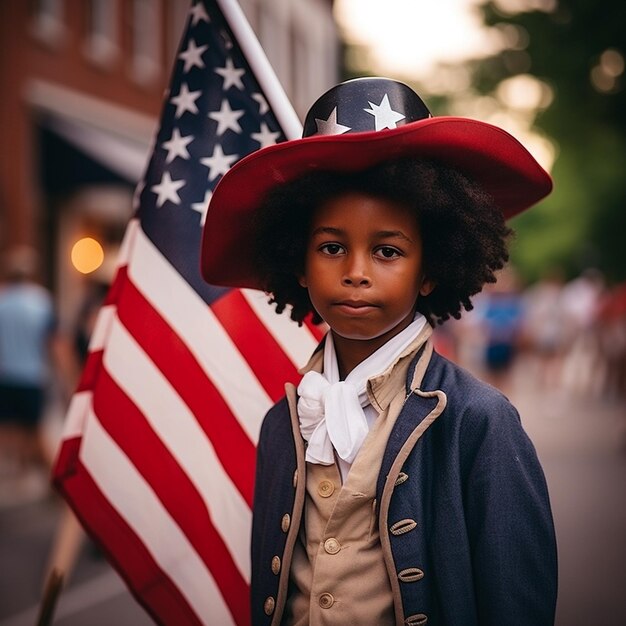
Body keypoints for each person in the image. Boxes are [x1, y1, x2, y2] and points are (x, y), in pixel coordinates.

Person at [201, 78, 558, 625]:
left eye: (387, 250)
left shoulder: (479, 422)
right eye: (331, 247)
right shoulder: (282, 424)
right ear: (297, 262)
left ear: (432, 268)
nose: (356, 272)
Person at [0, 247, 57, 478]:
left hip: (6, 376)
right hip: (32, 377)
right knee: (35, 430)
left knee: (8, 429)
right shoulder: (41, 302)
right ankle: (52, 482)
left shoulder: (2, 302)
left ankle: (15, 472)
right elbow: (54, 343)